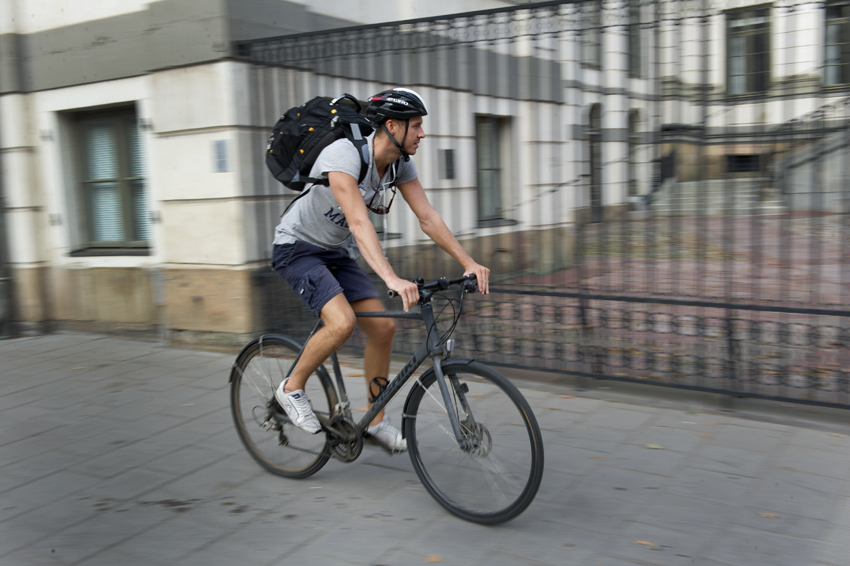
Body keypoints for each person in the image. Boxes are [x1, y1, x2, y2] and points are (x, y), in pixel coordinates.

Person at [270, 87, 490, 452]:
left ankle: (374, 419)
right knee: (341, 322)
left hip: (336, 252)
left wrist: (466, 261)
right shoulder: (343, 155)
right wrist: (390, 277)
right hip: (298, 248)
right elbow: (358, 222)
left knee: (383, 328)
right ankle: (291, 388)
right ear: (392, 125)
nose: (422, 134)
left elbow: (427, 216)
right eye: (416, 126)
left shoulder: (401, 163)